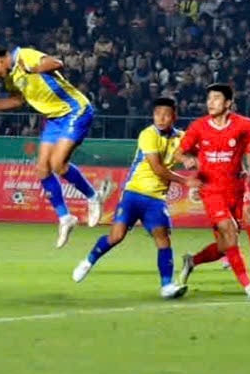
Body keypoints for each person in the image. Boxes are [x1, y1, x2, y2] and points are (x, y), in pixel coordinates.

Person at [0, 38, 102, 247]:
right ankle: (65, 218)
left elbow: (57, 63)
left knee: (58, 164)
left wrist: (34, 68)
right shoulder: (10, 77)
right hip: (54, 119)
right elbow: (17, 100)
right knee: (42, 169)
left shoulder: (24, 56)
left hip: (75, 110)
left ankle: (93, 196)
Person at [177, 83, 250, 299]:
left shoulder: (242, 124)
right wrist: (186, 160)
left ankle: (192, 261)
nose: (210, 102)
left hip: (235, 191)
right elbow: (179, 152)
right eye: (209, 98)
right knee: (230, 231)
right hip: (211, 191)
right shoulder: (198, 127)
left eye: (216, 98)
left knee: (225, 245)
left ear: (228, 103)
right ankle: (249, 286)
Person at [72, 97, 188, 298]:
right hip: (134, 193)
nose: (161, 118)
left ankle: (167, 286)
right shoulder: (148, 134)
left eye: (166, 115)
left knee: (163, 238)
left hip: (156, 198)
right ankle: (88, 261)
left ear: (174, 117)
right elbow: (157, 168)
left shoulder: (181, 137)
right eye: (157, 114)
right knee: (116, 236)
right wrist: (186, 181)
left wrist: (193, 160)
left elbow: (188, 153)